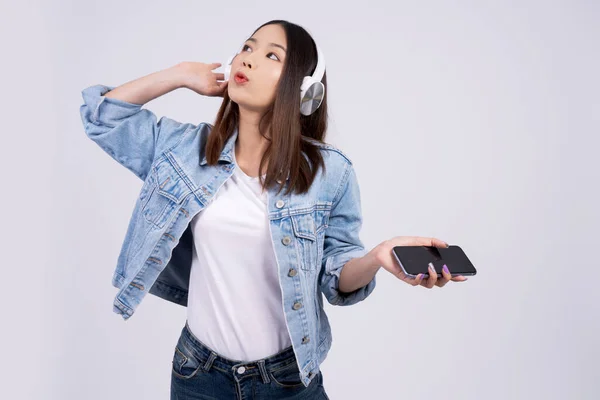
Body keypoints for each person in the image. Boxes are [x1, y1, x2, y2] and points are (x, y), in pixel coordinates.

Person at [79, 19, 467, 400]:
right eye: (246, 48)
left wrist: (378, 257)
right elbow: (103, 117)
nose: (248, 59)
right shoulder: (186, 150)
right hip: (197, 374)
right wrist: (178, 75)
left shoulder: (331, 173)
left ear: (304, 92)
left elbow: (338, 282)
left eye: (271, 55)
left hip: (287, 381)